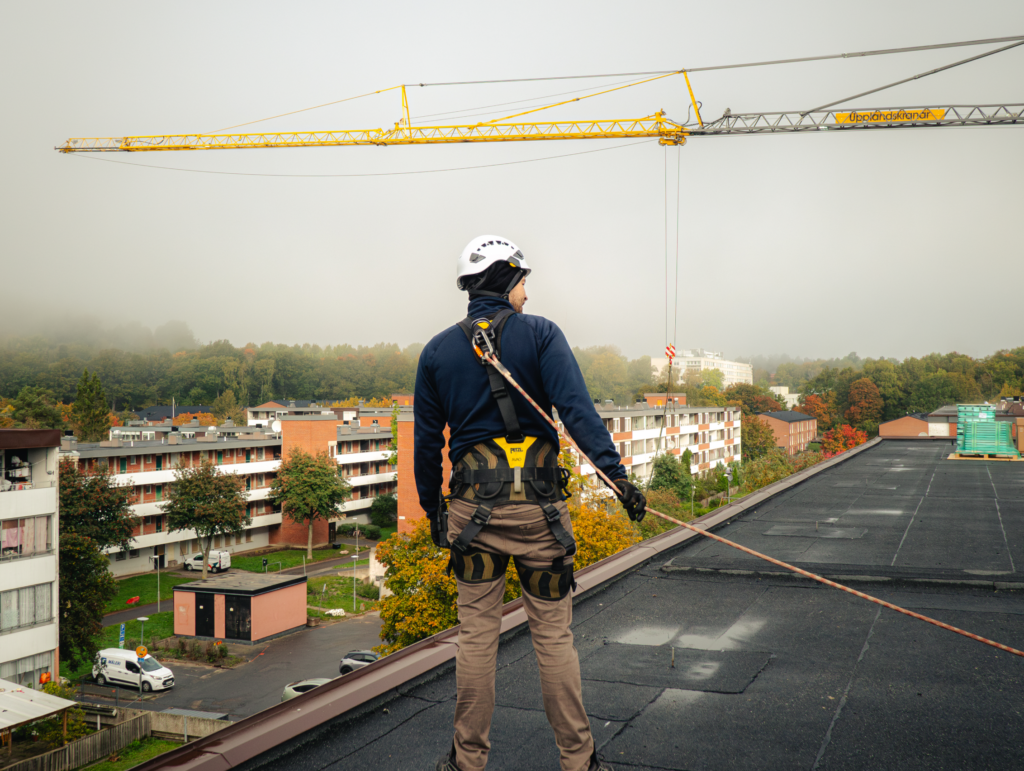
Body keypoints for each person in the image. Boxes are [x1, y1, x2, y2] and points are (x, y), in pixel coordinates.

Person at [414, 235, 647, 771]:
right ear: (502, 279)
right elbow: (577, 411)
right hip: (540, 514)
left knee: (475, 636)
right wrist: (617, 478)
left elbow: (428, 445)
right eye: (522, 280)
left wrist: (434, 513)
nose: (527, 290)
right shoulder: (541, 335)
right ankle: (578, 759)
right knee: (553, 634)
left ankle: (466, 762)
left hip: (472, 518)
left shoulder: (437, 352)